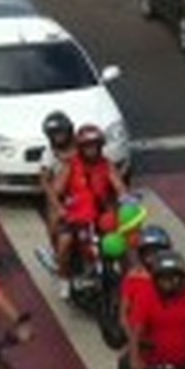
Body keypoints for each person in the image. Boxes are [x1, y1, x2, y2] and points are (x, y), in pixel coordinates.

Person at [54, 124, 128, 299]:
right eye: (87, 146)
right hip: (76, 217)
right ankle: (64, 279)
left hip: (102, 216)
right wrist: (61, 208)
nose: (91, 150)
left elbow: (119, 186)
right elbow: (57, 190)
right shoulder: (71, 166)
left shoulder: (106, 165)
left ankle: (121, 275)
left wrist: (125, 199)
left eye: (95, 145)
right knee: (65, 243)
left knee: (122, 241)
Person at [115, 226, 173, 369]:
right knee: (125, 364)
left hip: (169, 333)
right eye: (148, 252)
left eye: (158, 251)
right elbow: (124, 314)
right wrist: (134, 339)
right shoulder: (133, 279)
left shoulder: (174, 276)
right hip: (142, 339)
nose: (153, 257)